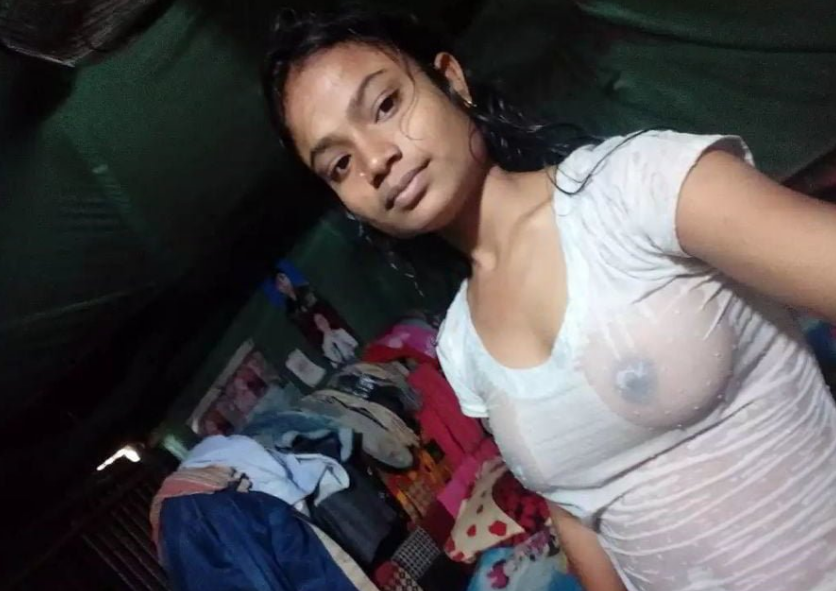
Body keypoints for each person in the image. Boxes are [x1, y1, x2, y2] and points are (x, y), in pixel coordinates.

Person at [262, 8, 836, 591]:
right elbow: (576, 508)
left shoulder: (633, 189)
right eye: (339, 164)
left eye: (385, 105)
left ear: (451, 81)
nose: (375, 160)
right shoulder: (460, 346)